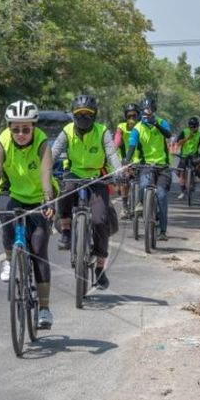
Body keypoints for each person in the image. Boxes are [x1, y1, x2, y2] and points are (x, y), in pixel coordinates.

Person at [0, 100, 57, 329]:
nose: (21, 134)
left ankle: (44, 309)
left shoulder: (42, 143)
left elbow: (46, 173)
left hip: (38, 197)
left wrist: (47, 199)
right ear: (9, 128)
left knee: (39, 249)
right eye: (16, 129)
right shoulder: (2, 142)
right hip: (12, 191)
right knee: (7, 218)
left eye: (26, 129)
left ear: (33, 127)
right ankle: (9, 260)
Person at [52, 94, 122, 290]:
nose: (83, 117)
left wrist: (118, 172)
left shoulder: (102, 132)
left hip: (97, 178)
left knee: (100, 220)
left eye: (87, 114)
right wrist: (43, 169)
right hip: (73, 175)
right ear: (74, 115)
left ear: (94, 115)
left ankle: (100, 268)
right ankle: (66, 231)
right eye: (79, 114)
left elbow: (111, 154)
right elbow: (53, 152)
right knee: (65, 189)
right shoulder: (66, 131)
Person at [124, 98, 173, 241]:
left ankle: (162, 231)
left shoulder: (162, 123)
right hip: (146, 166)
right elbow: (132, 146)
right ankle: (140, 204)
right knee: (144, 185)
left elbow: (168, 134)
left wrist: (156, 124)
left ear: (154, 112)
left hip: (163, 166)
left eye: (149, 114)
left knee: (162, 196)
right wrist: (127, 161)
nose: (147, 117)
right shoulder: (137, 128)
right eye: (144, 115)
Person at [114, 103, 140, 219]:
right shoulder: (121, 127)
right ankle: (125, 208)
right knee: (125, 180)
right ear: (125, 117)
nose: (131, 119)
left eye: (134, 116)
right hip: (125, 159)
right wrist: (114, 146)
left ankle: (147, 204)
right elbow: (117, 141)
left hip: (140, 159)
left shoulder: (142, 126)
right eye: (129, 116)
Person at [173, 117, 200, 200]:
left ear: (197, 126)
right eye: (191, 127)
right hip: (184, 156)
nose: (193, 129)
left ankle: (197, 176)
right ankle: (182, 192)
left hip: (194, 156)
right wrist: (187, 138)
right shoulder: (184, 132)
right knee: (181, 173)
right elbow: (178, 143)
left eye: (195, 127)